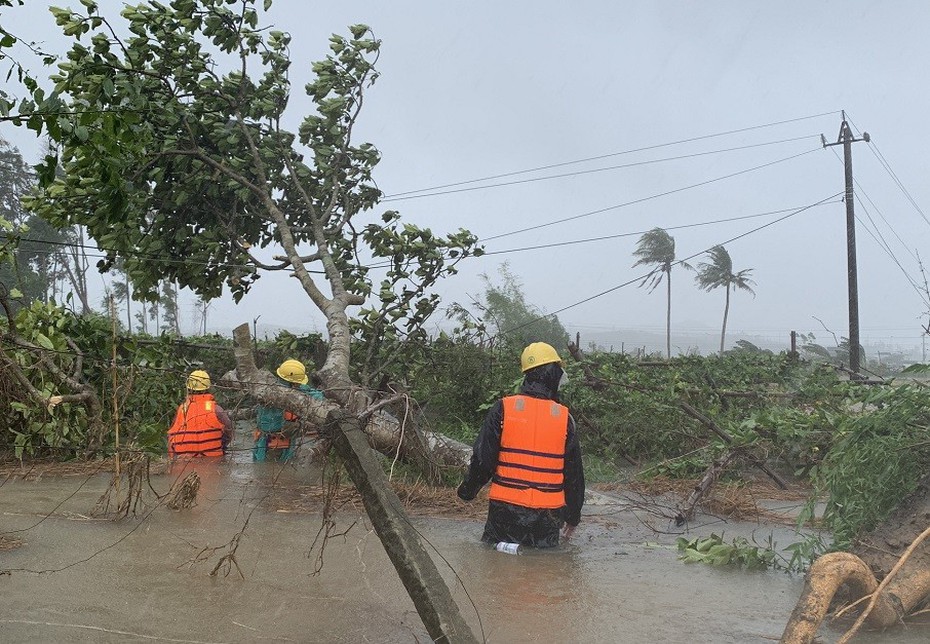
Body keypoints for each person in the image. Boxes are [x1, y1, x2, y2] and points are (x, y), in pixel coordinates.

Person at [457, 342, 585, 548]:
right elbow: (574, 475)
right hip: (548, 517)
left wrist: (467, 491)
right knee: (545, 572)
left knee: (495, 568)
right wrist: (573, 516)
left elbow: (483, 459)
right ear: (553, 373)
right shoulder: (564, 418)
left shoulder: (503, 408)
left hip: (505, 512)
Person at [253, 359, 324, 462]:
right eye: (297, 384)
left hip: (269, 442)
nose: (299, 385)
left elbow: (313, 393)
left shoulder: (268, 389)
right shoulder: (277, 394)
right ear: (293, 383)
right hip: (274, 444)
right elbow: (318, 396)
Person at [168, 370, 234, 458]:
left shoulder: (181, 410)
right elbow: (228, 431)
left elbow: (171, 436)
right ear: (208, 388)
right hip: (212, 460)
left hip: (183, 461)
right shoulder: (216, 409)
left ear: (188, 389)